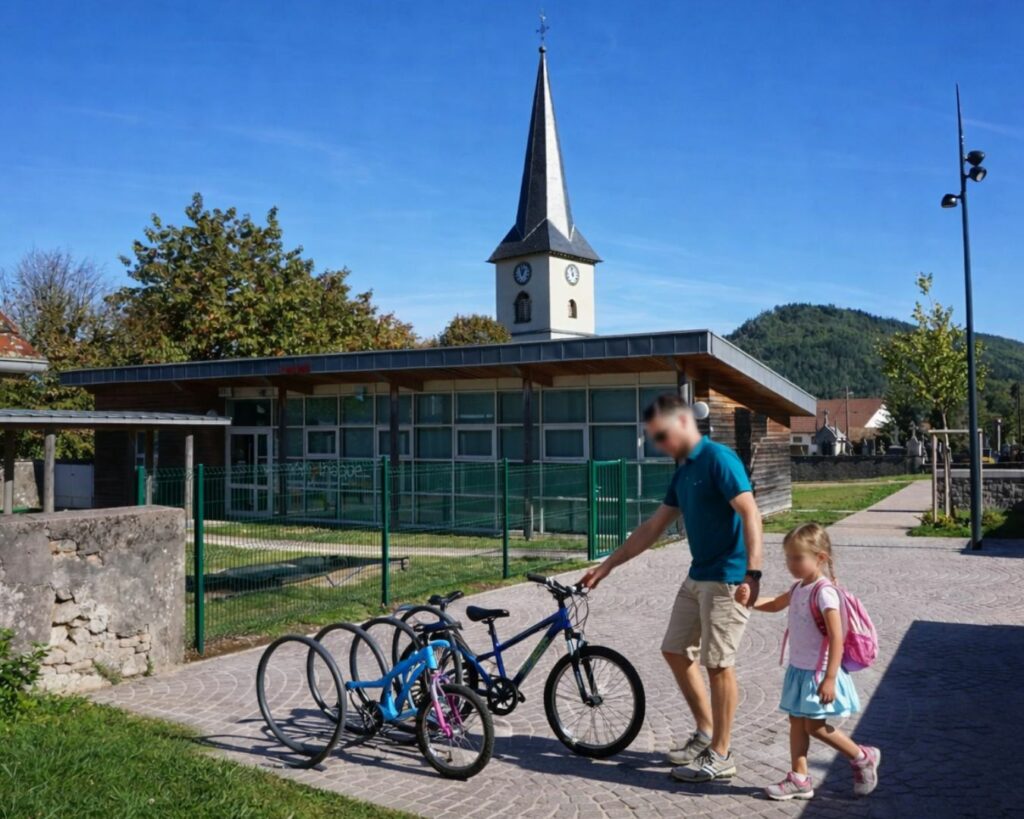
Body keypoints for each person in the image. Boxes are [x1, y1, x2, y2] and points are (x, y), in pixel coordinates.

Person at [581, 393, 763, 783]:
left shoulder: (718, 459)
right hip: (699, 574)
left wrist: (753, 573)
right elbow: (652, 528)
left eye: (662, 435)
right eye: (654, 438)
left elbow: (750, 512)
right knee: (675, 650)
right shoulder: (684, 472)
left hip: (727, 577)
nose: (659, 444)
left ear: (682, 423)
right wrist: (607, 566)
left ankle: (721, 754)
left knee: (718, 664)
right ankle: (706, 733)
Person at [753, 523, 881, 800]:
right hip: (800, 670)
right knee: (796, 722)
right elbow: (775, 604)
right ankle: (799, 778)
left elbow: (837, 637)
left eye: (797, 558)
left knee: (815, 727)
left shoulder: (824, 592)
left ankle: (862, 756)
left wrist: (830, 678)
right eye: (788, 558)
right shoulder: (799, 587)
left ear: (820, 557)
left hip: (819, 672)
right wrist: (748, 600)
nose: (791, 564)